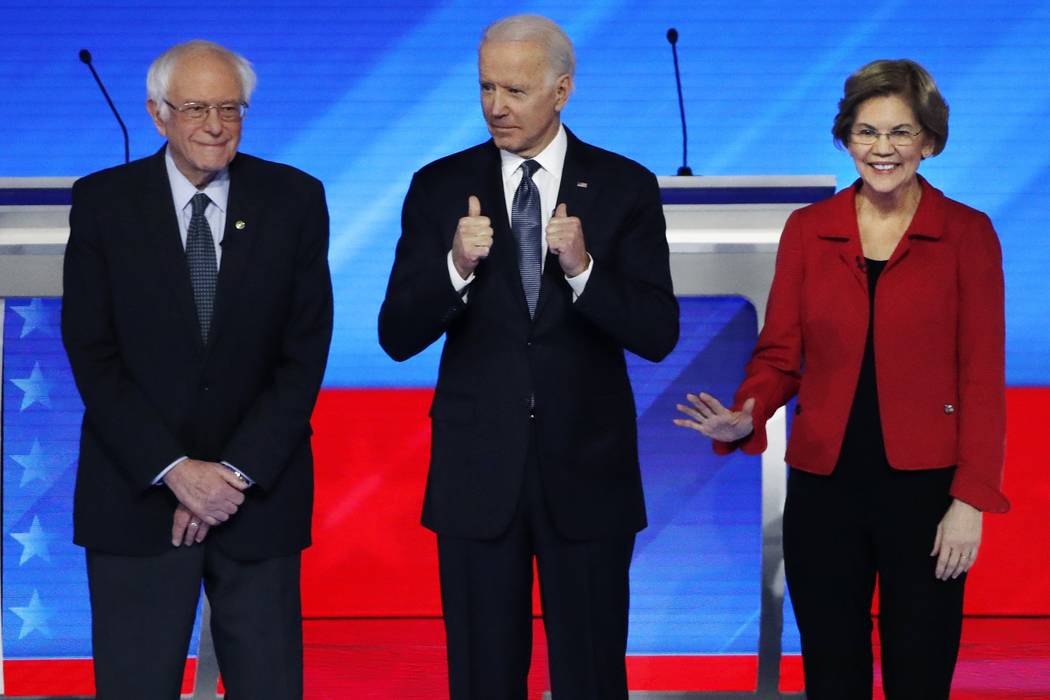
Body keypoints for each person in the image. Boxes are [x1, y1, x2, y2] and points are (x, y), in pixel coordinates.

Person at [674, 59, 1008, 699]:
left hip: (926, 490)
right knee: (831, 673)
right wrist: (748, 413)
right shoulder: (809, 230)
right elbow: (779, 356)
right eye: (866, 132)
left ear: (929, 141)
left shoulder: (967, 234)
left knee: (920, 673)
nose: (882, 148)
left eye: (901, 132)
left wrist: (970, 503)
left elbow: (982, 380)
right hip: (825, 488)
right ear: (846, 138)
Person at [378, 14, 678, 699]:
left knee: (591, 675)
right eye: (486, 87)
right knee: (483, 677)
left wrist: (583, 271)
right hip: (478, 474)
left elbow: (658, 333)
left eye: (514, 90)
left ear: (562, 90)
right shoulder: (438, 186)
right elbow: (396, 334)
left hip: (588, 471)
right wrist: (455, 266)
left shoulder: (625, 185)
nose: (496, 106)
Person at [61, 40, 333, 699]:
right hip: (137, 497)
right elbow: (93, 353)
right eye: (195, 108)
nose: (215, 125)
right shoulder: (104, 202)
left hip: (256, 500)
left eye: (230, 108)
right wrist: (176, 471)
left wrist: (232, 474)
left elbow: (303, 355)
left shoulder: (294, 199)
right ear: (157, 114)